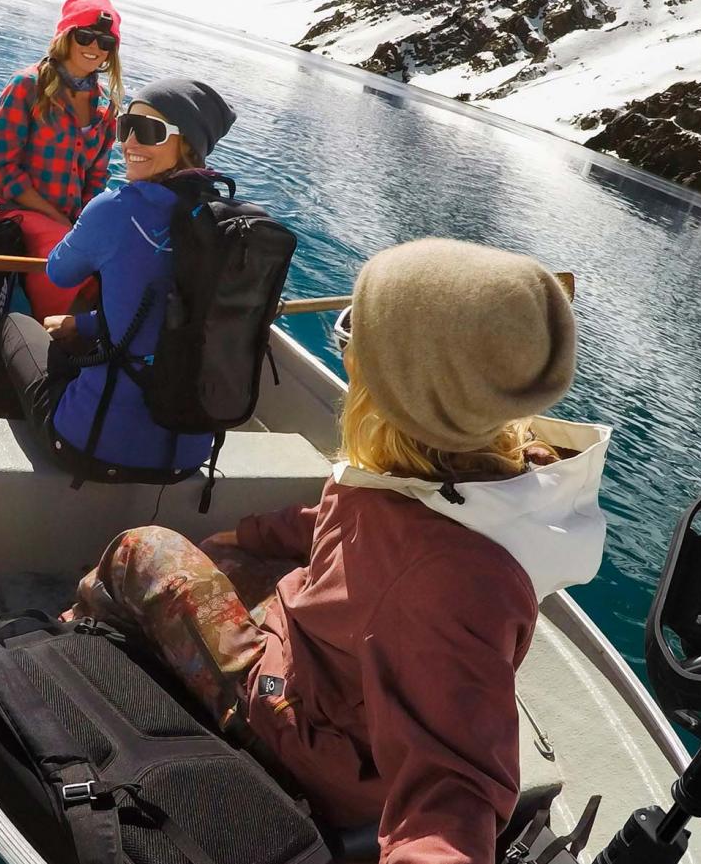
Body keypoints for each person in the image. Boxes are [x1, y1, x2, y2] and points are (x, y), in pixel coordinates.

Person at [64, 239, 608, 864]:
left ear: (403, 391)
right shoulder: (460, 473)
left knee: (144, 549)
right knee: (227, 557)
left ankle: (75, 646)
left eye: (358, 341)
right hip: (332, 677)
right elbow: (340, 525)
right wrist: (253, 536)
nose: (347, 354)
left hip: (301, 726)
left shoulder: (448, 582)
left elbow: (454, 786)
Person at [0, 78, 236, 482]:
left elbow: (59, 271)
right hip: (188, 457)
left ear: (186, 144)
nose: (128, 142)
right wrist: (84, 324)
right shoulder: (227, 225)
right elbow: (175, 321)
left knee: (15, 324)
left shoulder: (115, 209)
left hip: (91, 446)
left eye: (149, 131)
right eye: (125, 126)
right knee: (78, 330)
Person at [0, 0, 124, 318]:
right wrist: (58, 220)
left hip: (70, 222)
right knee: (67, 252)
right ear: (66, 36)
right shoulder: (26, 85)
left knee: (118, 257)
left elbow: (98, 176)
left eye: (105, 42)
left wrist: (85, 221)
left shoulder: (107, 107)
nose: (94, 47)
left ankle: (84, 333)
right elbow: (1, 169)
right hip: (14, 213)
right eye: (85, 36)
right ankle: (47, 335)